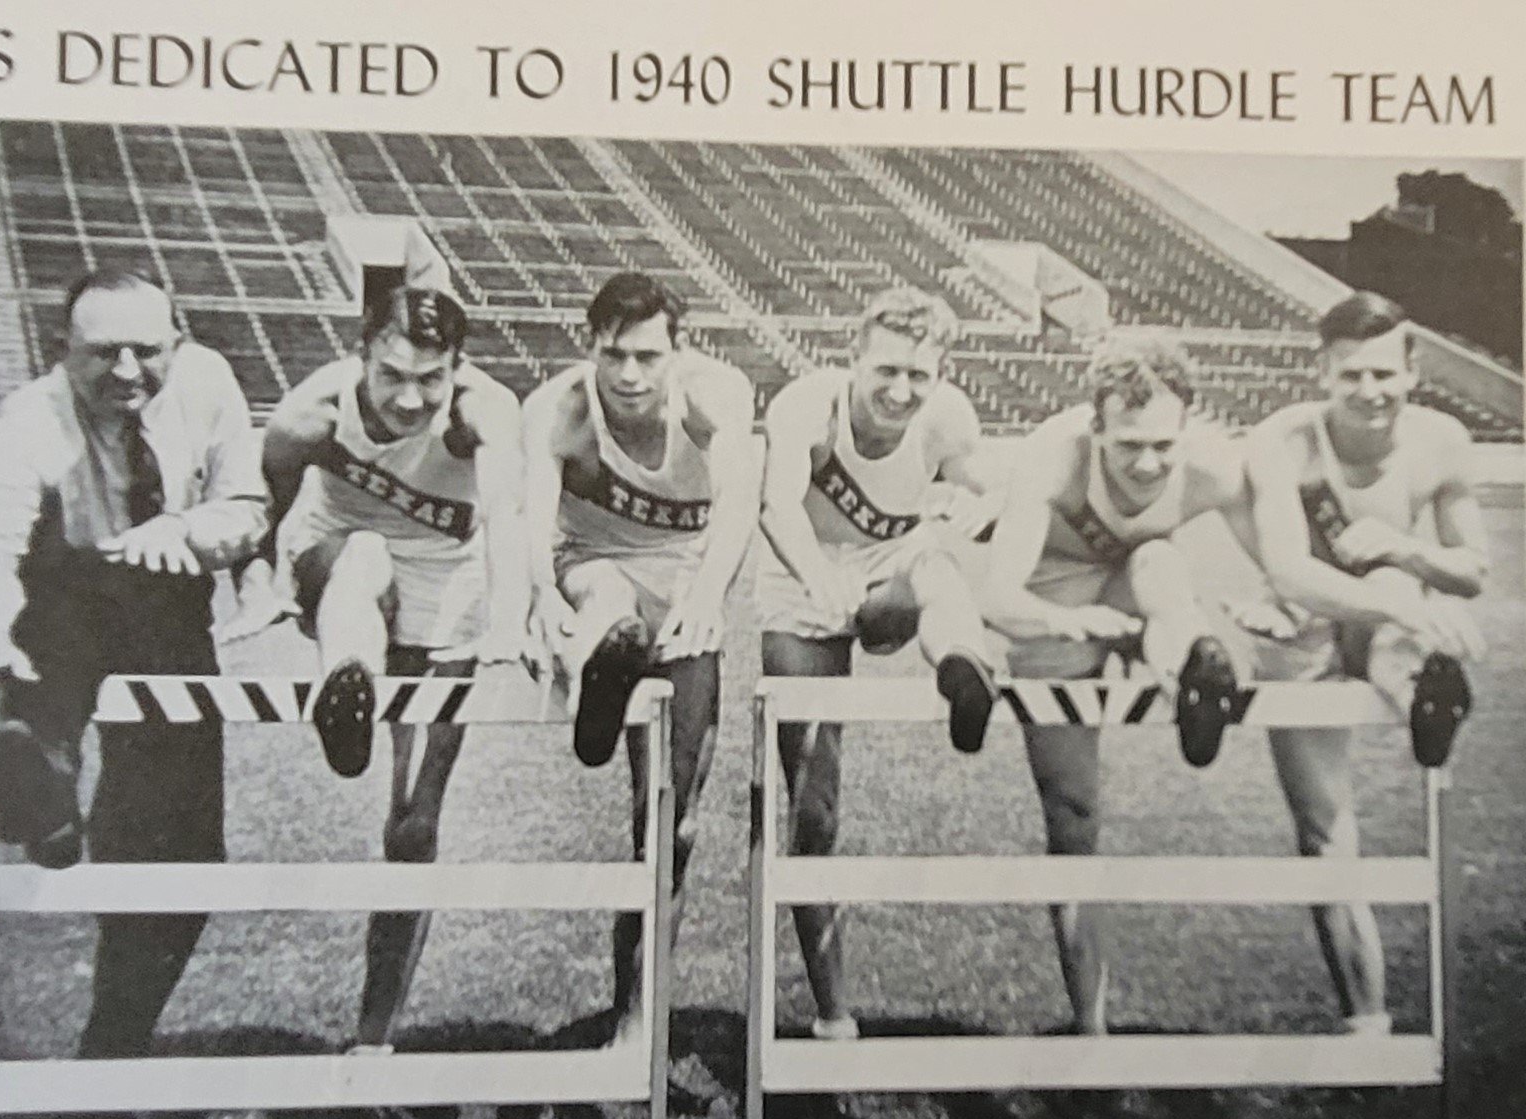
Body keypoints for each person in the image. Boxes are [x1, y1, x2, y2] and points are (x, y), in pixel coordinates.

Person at [0, 267, 267, 1119]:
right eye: (98, 350)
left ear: (177, 340)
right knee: (49, 672)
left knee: (185, 868)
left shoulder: (213, 385)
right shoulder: (31, 419)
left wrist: (188, 530)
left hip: (168, 602)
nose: (123, 369)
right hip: (62, 596)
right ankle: (43, 776)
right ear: (59, 348)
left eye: (144, 349)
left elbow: (248, 505)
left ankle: (62, 833)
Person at [247, 252, 530, 1073]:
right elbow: (264, 502)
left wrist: (509, 622)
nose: (410, 398)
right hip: (342, 566)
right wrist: (263, 584)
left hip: (447, 590)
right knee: (363, 558)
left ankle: (375, 1032)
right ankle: (351, 688)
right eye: (392, 375)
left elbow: (507, 509)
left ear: (458, 369)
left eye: (430, 379)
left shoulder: (484, 411)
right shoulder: (310, 409)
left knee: (412, 827)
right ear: (360, 354)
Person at [755, 286, 1004, 1042]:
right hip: (803, 579)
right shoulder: (808, 404)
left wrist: (980, 507)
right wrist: (816, 577)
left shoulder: (948, 417)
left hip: (887, 569)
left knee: (937, 569)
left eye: (917, 377)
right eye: (885, 372)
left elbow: (990, 485)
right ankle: (833, 1013)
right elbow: (776, 506)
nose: (899, 391)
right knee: (813, 806)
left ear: (941, 375)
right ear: (853, 360)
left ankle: (964, 670)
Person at [981, 336, 1248, 1037]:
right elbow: (997, 594)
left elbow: (1283, 559)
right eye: (1128, 444)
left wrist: (1287, 603)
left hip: (1146, 592)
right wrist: (1067, 619)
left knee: (1160, 562)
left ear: (1188, 426)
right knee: (1071, 816)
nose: (1149, 462)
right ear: (1093, 425)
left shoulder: (1216, 466)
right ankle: (1090, 1027)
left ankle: (1196, 668)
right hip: (1054, 600)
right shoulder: (1051, 455)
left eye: (1163, 443)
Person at [522, 272, 763, 1040]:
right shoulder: (558, 408)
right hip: (595, 561)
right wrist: (539, 601)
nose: (628, 376)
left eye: (646, 357)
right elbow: (533, 521)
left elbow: (735, 504)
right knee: (603, 600)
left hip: (686, 584)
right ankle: (597, 675)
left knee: (670, 825)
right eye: (612, 355)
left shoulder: (716, 395)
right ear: (588, 346)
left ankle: (637, 1009)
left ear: (677, 351)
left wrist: (707, 597)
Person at [1239, 290, 1487, 1036]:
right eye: (1350, 375)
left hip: (1384, 606)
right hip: (1298, 626)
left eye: (1383, 373)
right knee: (1322, 824)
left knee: (1390, 599)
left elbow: (1471, 569)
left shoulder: (1442, 442)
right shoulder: (1283, 441)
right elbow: (1287, 571)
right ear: (1322, 372)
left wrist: (1402, 549)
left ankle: (1422, 696)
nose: (1369, 391)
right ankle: (1365, 1022)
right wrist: (1405, 600)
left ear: (1412, 371)